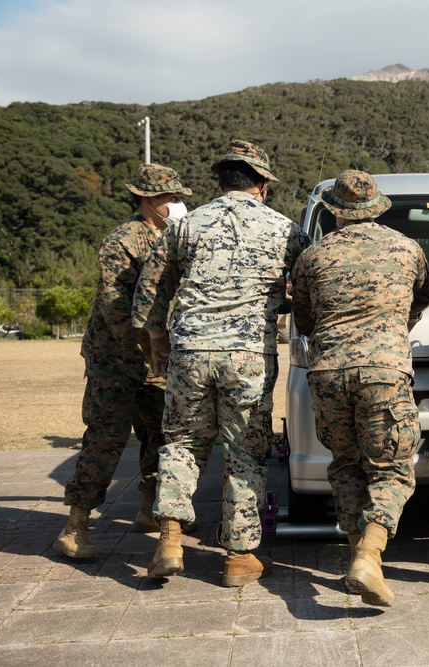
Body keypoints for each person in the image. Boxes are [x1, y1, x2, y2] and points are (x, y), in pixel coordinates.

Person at [132, 140, 312, 586]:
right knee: (245, 453)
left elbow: (149, 292)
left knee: (181, 444)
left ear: (219, 182)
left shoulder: (186, 225)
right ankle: (238, 557)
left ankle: (170, 540)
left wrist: (159, 343)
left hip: (190, 351)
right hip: (248, 356)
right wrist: (277, 303)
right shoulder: (286, 230)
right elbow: (310, 287)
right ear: (263, 186)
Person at [290, 170, 429, 608]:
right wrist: (389, 332)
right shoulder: (407, 249)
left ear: (335, 211)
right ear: (377, 207)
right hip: (384, 370)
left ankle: (357, 555)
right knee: (391, 466)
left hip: (328, 370)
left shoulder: (313, 255)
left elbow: (305, 320)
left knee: (346, 463)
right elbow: (419, 302)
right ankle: (370, 556)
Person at [54, 163, 192, 560]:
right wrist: (147, 344)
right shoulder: (123, 240)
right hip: (117, 358)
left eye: (180, 197)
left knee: (160, 434)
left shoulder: (172, 237)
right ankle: (75, 527)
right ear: (148, 200)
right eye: (172, 198)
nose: (179, 204)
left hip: (154, 358)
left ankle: (150, 511)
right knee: (106, 438)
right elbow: (115, 306)